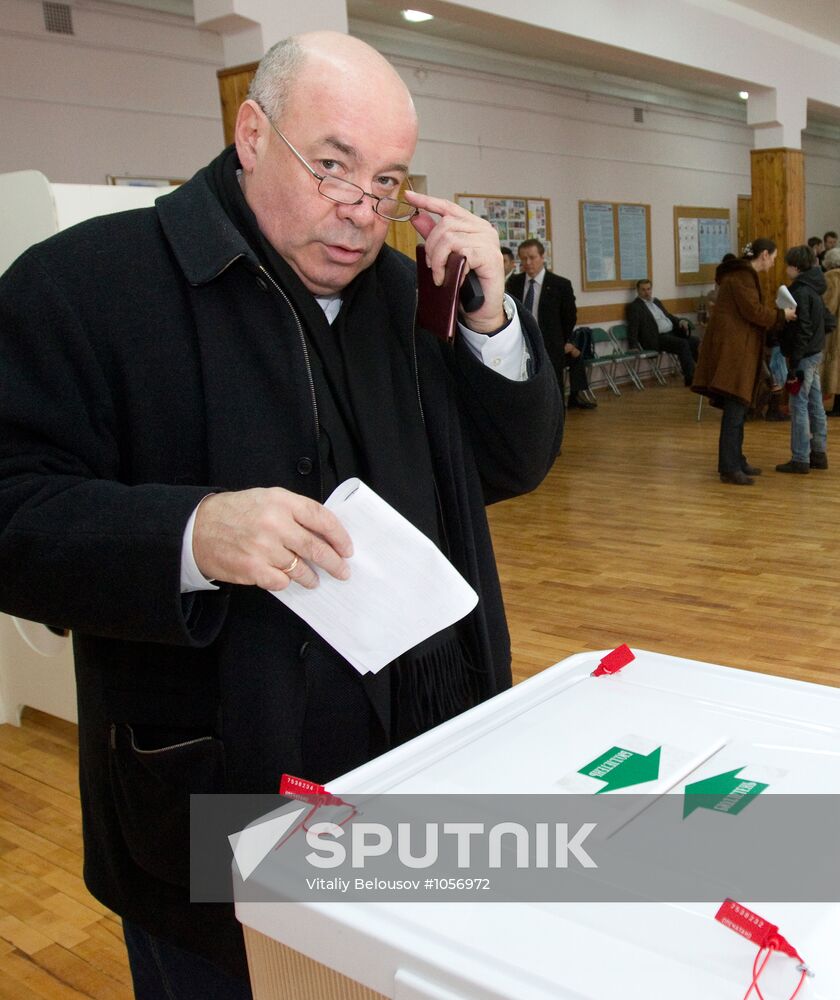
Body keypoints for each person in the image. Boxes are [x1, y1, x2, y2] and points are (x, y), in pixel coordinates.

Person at [0, 31, 563, 999]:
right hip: (215, 804)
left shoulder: (406, 293)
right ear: (250, 133)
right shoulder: (87, 287)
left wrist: (491, 320)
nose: (359, 212)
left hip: (417, 775)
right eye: (333, 166)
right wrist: (190, 534)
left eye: (386, 182)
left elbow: (511, 462)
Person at [692, 239, 793, 486]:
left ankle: (737, 460)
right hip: (734, 354)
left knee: (737, 410)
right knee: (735, 411)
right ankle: (729, 467)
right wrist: (782, 314)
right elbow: (754, 312)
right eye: (774, 257)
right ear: (764, 255)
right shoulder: (741, 277)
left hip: (736, 351)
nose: (773, 262)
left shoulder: (740, 275)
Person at [508, 238, 596, 409]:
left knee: (553, 387)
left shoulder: (560, 284)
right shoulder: (514, 282)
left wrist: (559, 340)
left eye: (532, 257)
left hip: (551, 344)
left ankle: (556, 422)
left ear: (542, 257)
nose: (528, 263)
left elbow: (569, 317)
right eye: (523, 259)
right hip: (521, 344)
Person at [775, 245, 833, 473]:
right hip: (815, 352)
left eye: (788, 265)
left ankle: (800, 458)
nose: (786, 269)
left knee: (798, 404)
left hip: (803, 355)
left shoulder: (799, 291)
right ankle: (819, 453)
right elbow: (828, 322)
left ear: (795, 267)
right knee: (816, 403)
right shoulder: (816, 287)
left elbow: (802, 329)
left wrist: (795, 361)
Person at [626, 279, 700, 386]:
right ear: (638, 291)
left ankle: (703, 374)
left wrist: (680, 321)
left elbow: (668, 316)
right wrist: (633, 344)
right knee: (682, 344)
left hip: (671, 333)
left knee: (695, 341)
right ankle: (690, 378)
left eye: (648, 289)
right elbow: (633, 326)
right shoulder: (635, 306)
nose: (647, 292)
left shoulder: (656, 301)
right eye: (643, 290)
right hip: (656, 337)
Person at [820, 246, 840, 417]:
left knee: (835, 366)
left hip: (836, 331)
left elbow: (829, 305)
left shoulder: (831, 277)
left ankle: (837, 407)